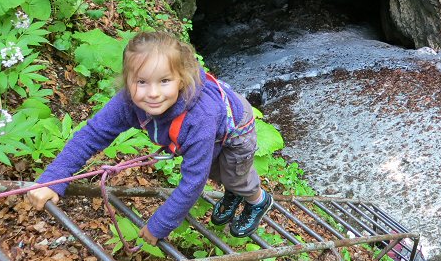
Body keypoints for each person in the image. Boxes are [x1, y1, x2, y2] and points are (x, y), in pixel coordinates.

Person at [27, 31, 273, 243]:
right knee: (217, 171)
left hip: (235, 127)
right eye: (142, 82)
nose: (152, 93)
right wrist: (53, 179)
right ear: (128, 80)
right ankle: (233, 190)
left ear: (180, 80)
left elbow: (193, 182)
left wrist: (160, 225)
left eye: (164, 81)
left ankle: (257, 200)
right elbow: (93, 134)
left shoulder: (200, 117)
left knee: (236, 175)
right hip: (212, 129)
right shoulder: (128, 102)